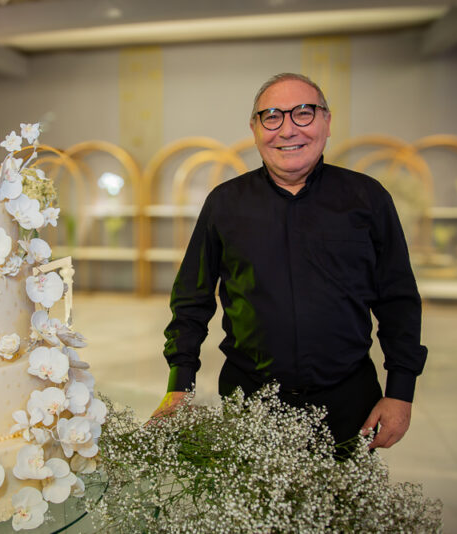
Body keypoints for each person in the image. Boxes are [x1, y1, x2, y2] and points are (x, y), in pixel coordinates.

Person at [153, 73, 427, 451]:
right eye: (271, 116)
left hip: (349, 402)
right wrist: (179, 384)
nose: (287, 130)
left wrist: (401, 391)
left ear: (326, 123)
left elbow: (398, 300)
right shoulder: (225, 203)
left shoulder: (367, 199)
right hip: (249, 402)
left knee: (340, 510)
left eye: (303, 113)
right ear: (254, 129)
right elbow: (191, 298)